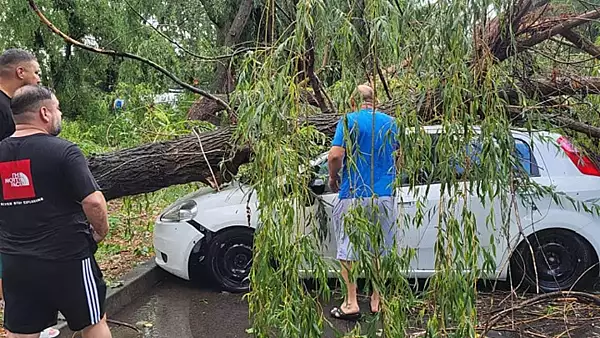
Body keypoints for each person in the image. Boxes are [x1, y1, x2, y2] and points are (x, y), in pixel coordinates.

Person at [0, 85, 112, 338]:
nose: (59, 113)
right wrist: (101, 232)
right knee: (93, 322)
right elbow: (93, 202)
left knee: (22, 331)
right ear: (44, 113)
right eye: (57, 108)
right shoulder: (63, 150)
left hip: (16, 262)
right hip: (68, 258)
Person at [0, 50, 59, 338]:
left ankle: (24, 319)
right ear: (20, 73)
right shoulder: (2, 108)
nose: (38, 78)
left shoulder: (9, 106)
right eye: (35, 72)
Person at [327, 84, 399, 320]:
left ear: (352, 102)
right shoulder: (391, 123)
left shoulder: (349, 120)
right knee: (379, 245)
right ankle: (377, 299)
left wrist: (333, 177)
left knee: (348, 248)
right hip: (384, 194)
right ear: (375, 101)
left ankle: (351, 302)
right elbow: (400, 155)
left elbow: (336, 155)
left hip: (354, 194)